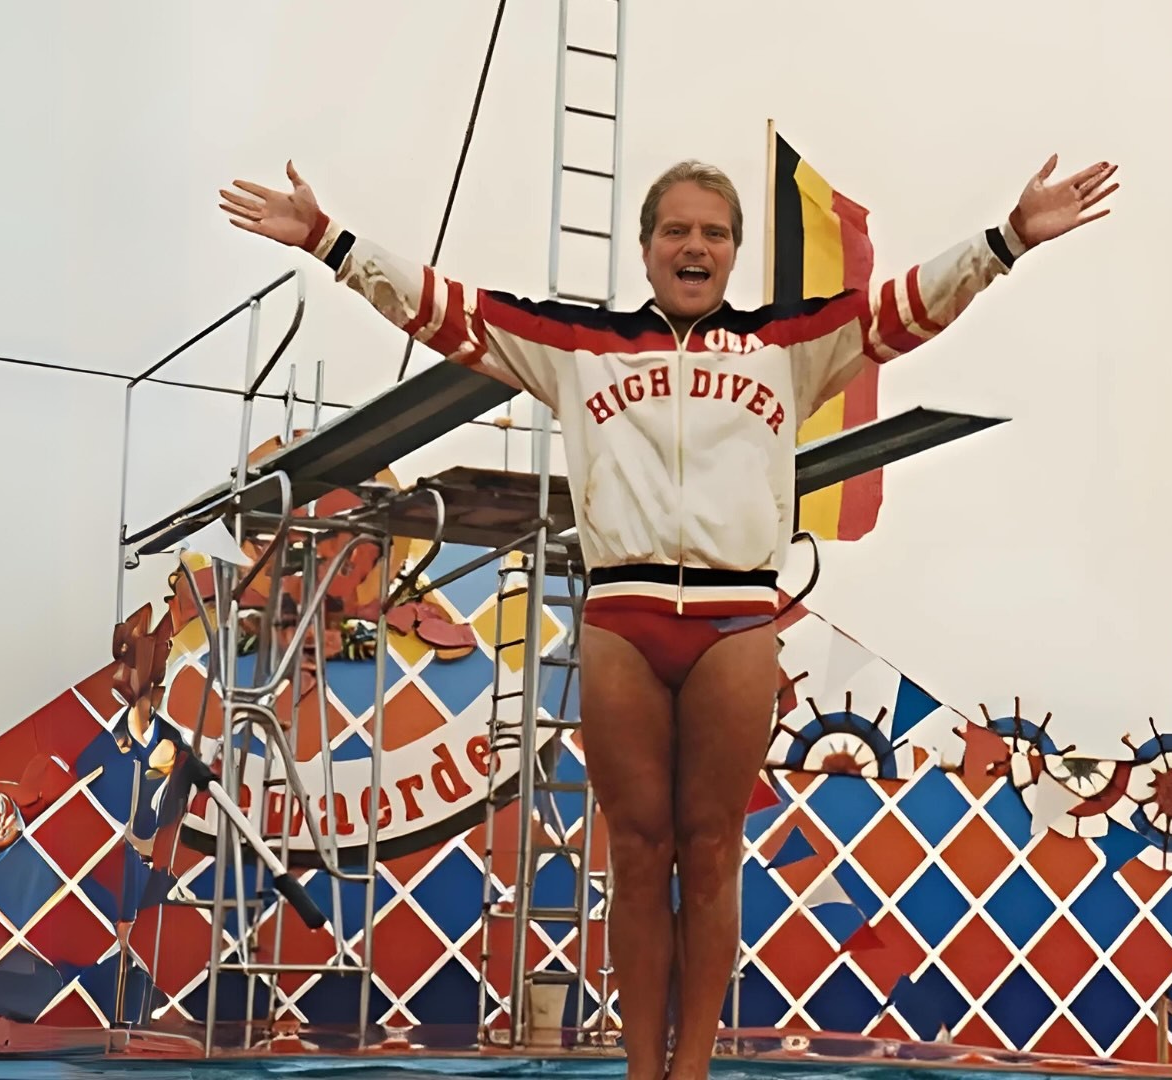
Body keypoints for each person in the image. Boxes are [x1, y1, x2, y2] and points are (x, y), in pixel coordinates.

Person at [218, 151, 1117, 1078]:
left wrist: (1007, 240)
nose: (695, 246)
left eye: (714, 233)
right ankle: (643, 1069)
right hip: (621, 616)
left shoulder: (787, 344)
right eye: (676, 231)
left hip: (734, 617)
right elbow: (447, 308)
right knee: (639, 855)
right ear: (646, 250)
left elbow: (903, 308)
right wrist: (330, 241)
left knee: (712, 845)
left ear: (732, 255)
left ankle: (692, 1069)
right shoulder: (578, 346)